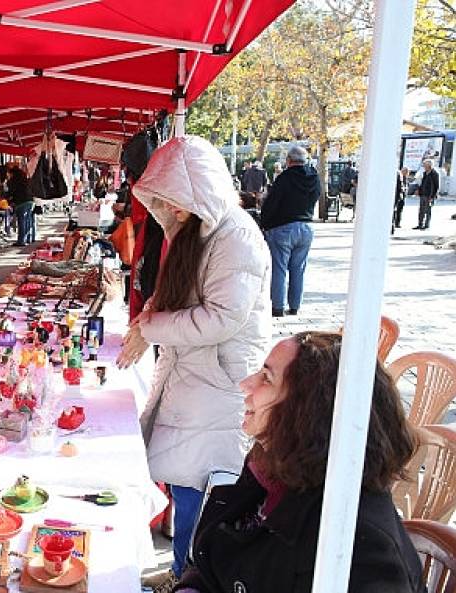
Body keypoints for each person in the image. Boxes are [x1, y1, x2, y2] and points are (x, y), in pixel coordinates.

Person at [116, 135, 271, 592]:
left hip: (222, 383)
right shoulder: (192, 232)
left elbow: (222, 318)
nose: (169, 207)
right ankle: (185, 569)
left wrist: (153, 327)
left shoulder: (237, 236)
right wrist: (149, 321)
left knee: (206, 492)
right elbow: (173, 295)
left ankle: (194, 576)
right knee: (187, 485)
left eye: (172, 198)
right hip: (193, 378)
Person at [175, 332, 424, 593]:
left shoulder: (355, 543)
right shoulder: (272, 466)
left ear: (306, 411)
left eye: (267, 378)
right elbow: (214, 557)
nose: (246, 384)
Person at [260, 145, 320, 317]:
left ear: (288, 161)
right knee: (298, 268)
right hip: (306, 226)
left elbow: (272, 203)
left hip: (283, 227)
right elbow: (316, 196)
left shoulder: (284, 178)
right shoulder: (315, 178)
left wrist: (265, 224)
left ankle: (277, 307)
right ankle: (295, 306)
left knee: (279, 268)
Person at [5, 165, 34, 246]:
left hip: (21, 202)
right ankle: (29, 239)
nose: (9, 175)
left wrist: (6, 197)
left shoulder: (13, 181)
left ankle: (21, 241)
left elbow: (11, 192)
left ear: (12, 174)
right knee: (28, 220)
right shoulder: (25, 179)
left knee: (21, 222)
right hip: (30, 201)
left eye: (9, 174)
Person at [415, 159, 440, 230]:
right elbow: (422, 183)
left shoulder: (435, 173)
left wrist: (433, 196)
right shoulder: (424, 173)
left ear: (429, 166)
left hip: (429, 195)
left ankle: (426, 225)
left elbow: (436, 186)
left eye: (425, 165)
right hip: (423, 194)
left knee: (428, 211)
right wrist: (418, 190)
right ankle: (420, 224)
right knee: (421, 210)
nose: (424, 166)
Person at [394, 167, 409, 234]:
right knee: (396, 210)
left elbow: (404, 187)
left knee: (399, 210)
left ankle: (397, 223)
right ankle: (395, 223)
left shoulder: (405, 178)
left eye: (406, 172)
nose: (405, 173)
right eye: (404, 171)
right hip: (398, 196)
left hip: (401, 196)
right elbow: (401, 187)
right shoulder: (399, 176)